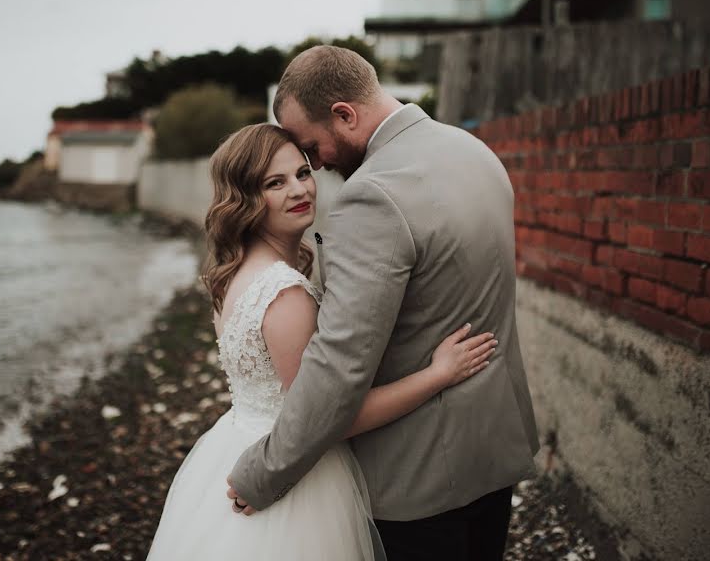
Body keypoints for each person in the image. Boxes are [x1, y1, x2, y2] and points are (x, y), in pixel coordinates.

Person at [227, 46, 541, 561]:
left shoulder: (372, 197)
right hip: (496, 446)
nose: (318, 165)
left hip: (419, 478)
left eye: (312, 146)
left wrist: (263, 473)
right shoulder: (474, 151)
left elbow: (339, 366)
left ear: (345, 115)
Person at [145, 123, 497, 560]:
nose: (299, 190)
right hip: (294, 474)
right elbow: (331, 418)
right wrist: (438, 375)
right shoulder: (284, 295)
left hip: (237, 441)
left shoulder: (235, 275)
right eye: (275, 183)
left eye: (303, 173)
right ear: (246, 199)